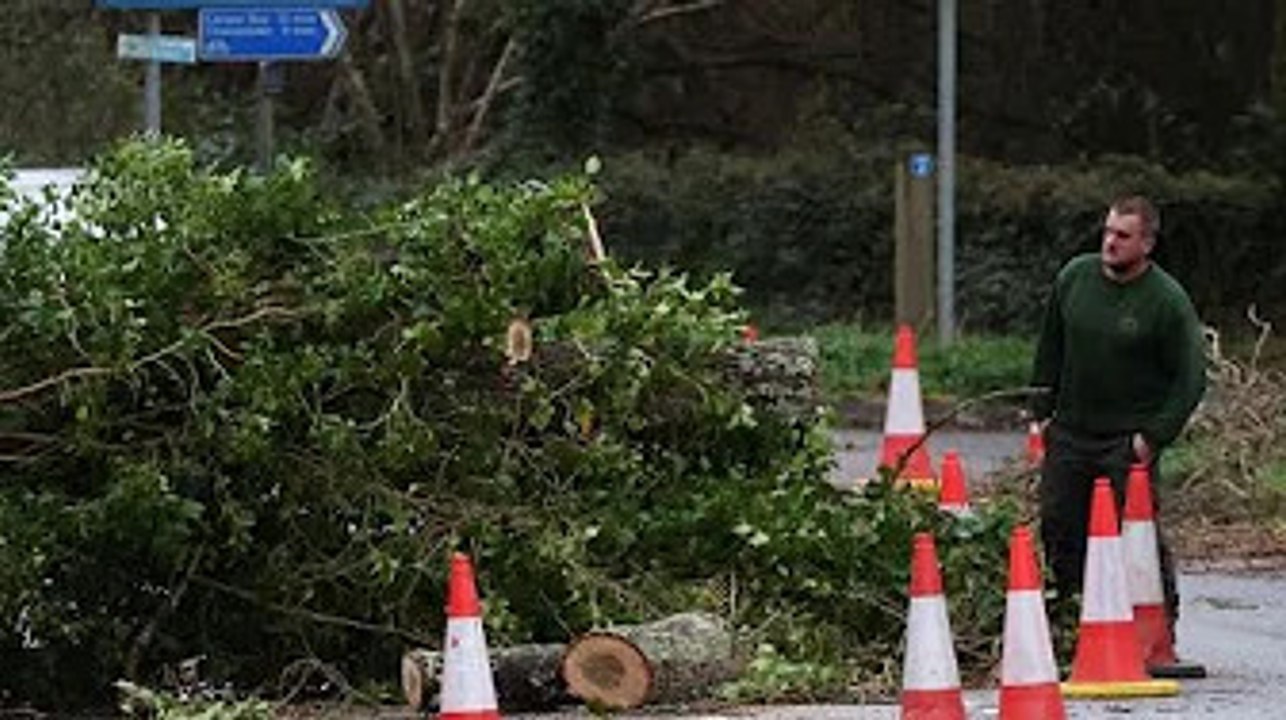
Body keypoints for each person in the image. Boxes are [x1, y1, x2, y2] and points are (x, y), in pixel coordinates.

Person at [1029, 195, 1206, 642]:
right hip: (1069, 432)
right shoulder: (1075, 278)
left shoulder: (1166, 301)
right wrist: (1040, 413)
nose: (1110, 242)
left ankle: (1158, 631)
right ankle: (1071, 623)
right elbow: (1050, 347)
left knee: (1138, 532)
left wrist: (1153, 436)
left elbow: (1190, 379)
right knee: (1059, 525)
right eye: (1107, 232)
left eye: (1122, 236)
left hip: (1126, 440)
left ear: (1146, 244)